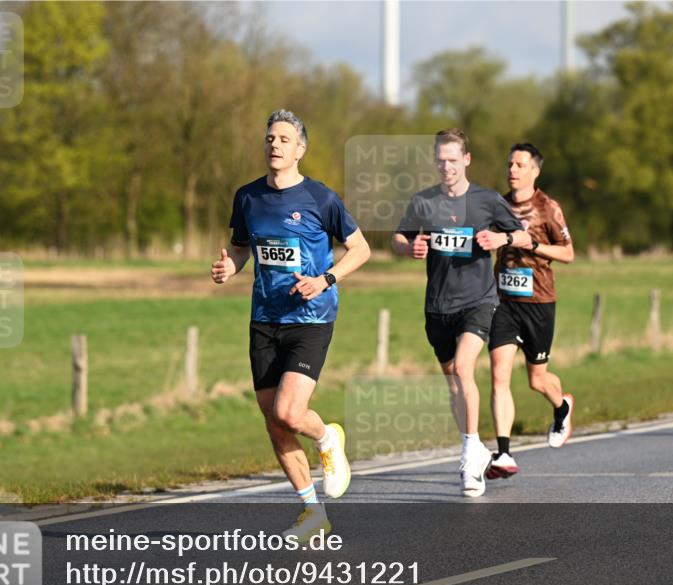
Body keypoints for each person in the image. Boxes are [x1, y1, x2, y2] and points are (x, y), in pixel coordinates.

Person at [212, 109, 370, 536]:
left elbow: (360, 249)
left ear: (300, 149)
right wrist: (231, 267)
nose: (274, 145)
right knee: (272, 420)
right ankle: (312, 513)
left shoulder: (321, 198)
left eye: (284, 139)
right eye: (269, 138)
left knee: (289, 411)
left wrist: (325, 279)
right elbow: (241, 248)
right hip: (264, 317)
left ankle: (326, 439)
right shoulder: (248, 197)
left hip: (311, 317)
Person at [392, 128, 529, 497]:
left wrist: (502, 239)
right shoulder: (423, 201)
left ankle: (470, 460)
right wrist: (410, 248)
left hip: (479, 301)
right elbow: (399, 237)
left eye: (453, 159)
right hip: (437, 307)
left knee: (466, 368)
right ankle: (475, 445)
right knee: (453, 383)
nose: (446, 166)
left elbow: (526, 237)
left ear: (466, 160)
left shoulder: (486, 201)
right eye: (440, 160)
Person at [488, 144, 575, 479]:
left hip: (539, 302)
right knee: (499, 374)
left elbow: (568, 253)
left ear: (534, 171)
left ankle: (562, 406)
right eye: (510, 163)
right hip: (503, 303)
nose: (513, 169)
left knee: (537, 380)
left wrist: (534, 245)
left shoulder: (547, 207)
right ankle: (504, 454)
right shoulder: (496, 204)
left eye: (520, 164)